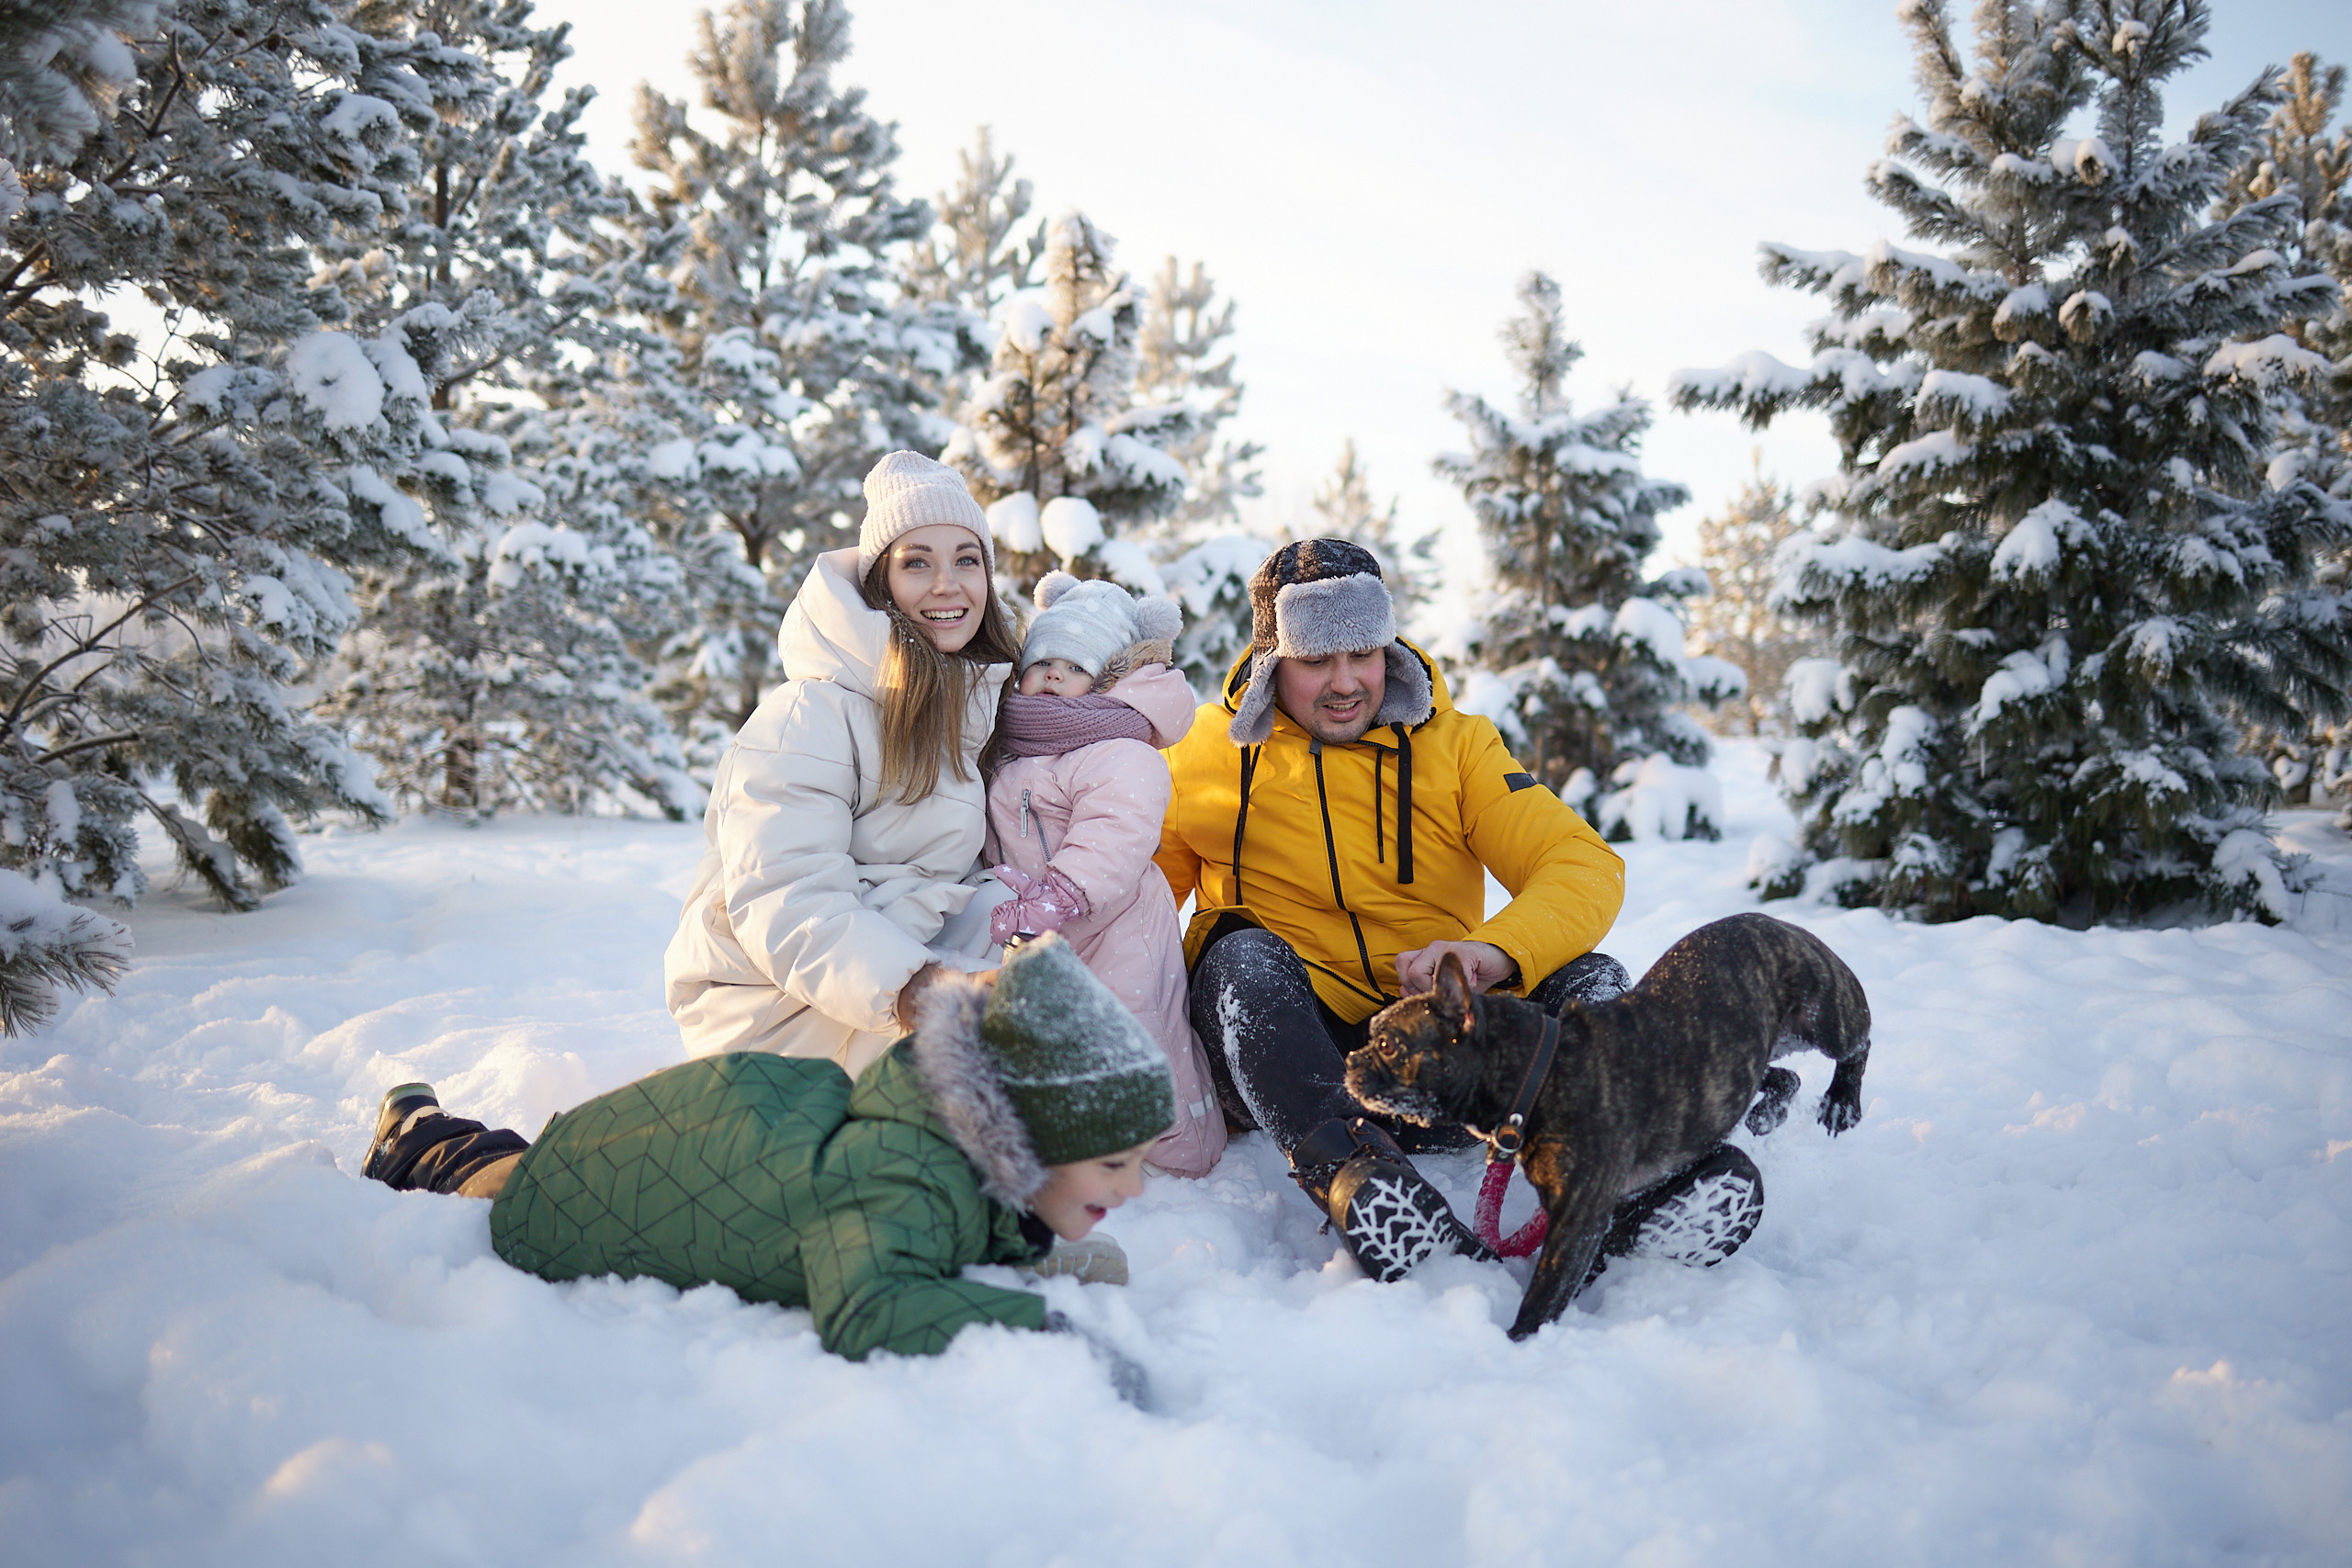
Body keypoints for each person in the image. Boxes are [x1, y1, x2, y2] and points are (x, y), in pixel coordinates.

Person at [1155, 538, 1765, 1283]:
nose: (1345, 683)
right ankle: (1361, 1185)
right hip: (1291, 1054)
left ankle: (1642, 1177)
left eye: (1364, 653)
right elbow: (1137, 904)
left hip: (1446, 1058)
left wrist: (1493, 953)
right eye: (1317, 660)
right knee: (1237, 955)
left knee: (1587, 977)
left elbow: (1581, 863)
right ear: (1272, 660)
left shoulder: (1459, 748)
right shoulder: (1199, 756)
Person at [360, 935, 1162, 1389]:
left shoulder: (947, 1148)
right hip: (607, 1181)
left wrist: (1030, 1242)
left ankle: (437, 1132)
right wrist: (1040, 1325)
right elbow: (867, 1307)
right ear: (1032, 1135)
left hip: (716, 1139)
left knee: (555, 1163)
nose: (1129, 1189)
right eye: (1114, 1164)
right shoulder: (908, 1176)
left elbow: (964, 1213)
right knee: (520, 1186)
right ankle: (415, 1136)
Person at [663, 451, 1019, 1080]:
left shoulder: (969, 711)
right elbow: (785, 894)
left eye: (967, 559)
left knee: (1022, 919)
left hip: (886, 982)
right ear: (880, 584)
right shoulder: (812, 712)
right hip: (770, 1007)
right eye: (917, 562)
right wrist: (920, 990)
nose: (948, 583)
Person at [983, 571, 1226, 1178]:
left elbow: (1118, 827)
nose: (1053, 676)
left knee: (1136, 1026)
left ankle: (1183, 1141)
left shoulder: (1121, 748)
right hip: (1044, 926)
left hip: (1119, 923)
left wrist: (1063, 889)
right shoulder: (1014, 747)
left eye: (1074, 664)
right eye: (1042, 663)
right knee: (1058, 1031)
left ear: (1108, 677)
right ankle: (1080, 1133)